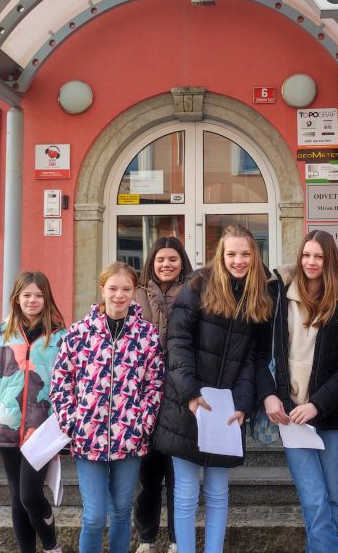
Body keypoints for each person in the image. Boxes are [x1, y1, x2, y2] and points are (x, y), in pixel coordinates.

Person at [153, 224, 272, 553]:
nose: (239, 260)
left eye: (245, 253)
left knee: (219, 493)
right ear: (220, 254)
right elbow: (177, 343)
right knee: (186, 494)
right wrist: (191, 393)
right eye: (232, 253)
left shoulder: (257, 293)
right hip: (187, 404)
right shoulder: (197, 285)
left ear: (254, 255)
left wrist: (245, 404)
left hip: (227, 410)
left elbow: (253, 356)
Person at [257, 230, 338, 553]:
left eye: (318, 256)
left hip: (327, 416)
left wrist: (317, 404)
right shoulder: (278, 295)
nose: (311, 262)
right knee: (316, 500)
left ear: (330, 260)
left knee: (333, 501)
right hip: (291, 417)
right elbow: (261, 354)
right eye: (306, 255)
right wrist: (270, 395)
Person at [49, 262, 165, 553]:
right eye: (113, 288)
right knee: (94, 516)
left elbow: (155, 384)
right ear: (102, 289)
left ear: (134, 291)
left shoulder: (147, 335)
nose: (119, 295)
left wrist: (143, 421)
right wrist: (71, 421)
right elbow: (61, 379)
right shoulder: (79, 333)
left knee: (122, 512)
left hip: (130, 437)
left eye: (126, 289)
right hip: (88, 438)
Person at [0, 271, 67, 553]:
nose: (32, 300)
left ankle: (51, 546)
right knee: (17, 498)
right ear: (16, 298)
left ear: (46, 299)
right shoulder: (1, 334)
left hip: (44, 429)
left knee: (30, 495)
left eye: (38, 295)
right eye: (26, 295)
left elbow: (73, 381)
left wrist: (63, 420)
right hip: (8, 427)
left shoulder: (61, 337)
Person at [133, 237, 194, 553]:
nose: (166, 264)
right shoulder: (136, 295)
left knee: (178, 475)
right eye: (161, 259)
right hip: (145, 395)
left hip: (181, 394)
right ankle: (146, 538)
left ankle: (176, 539)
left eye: (173, 259)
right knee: (148, 475)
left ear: (182, 261)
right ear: (152, 263)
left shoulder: (196, 293)